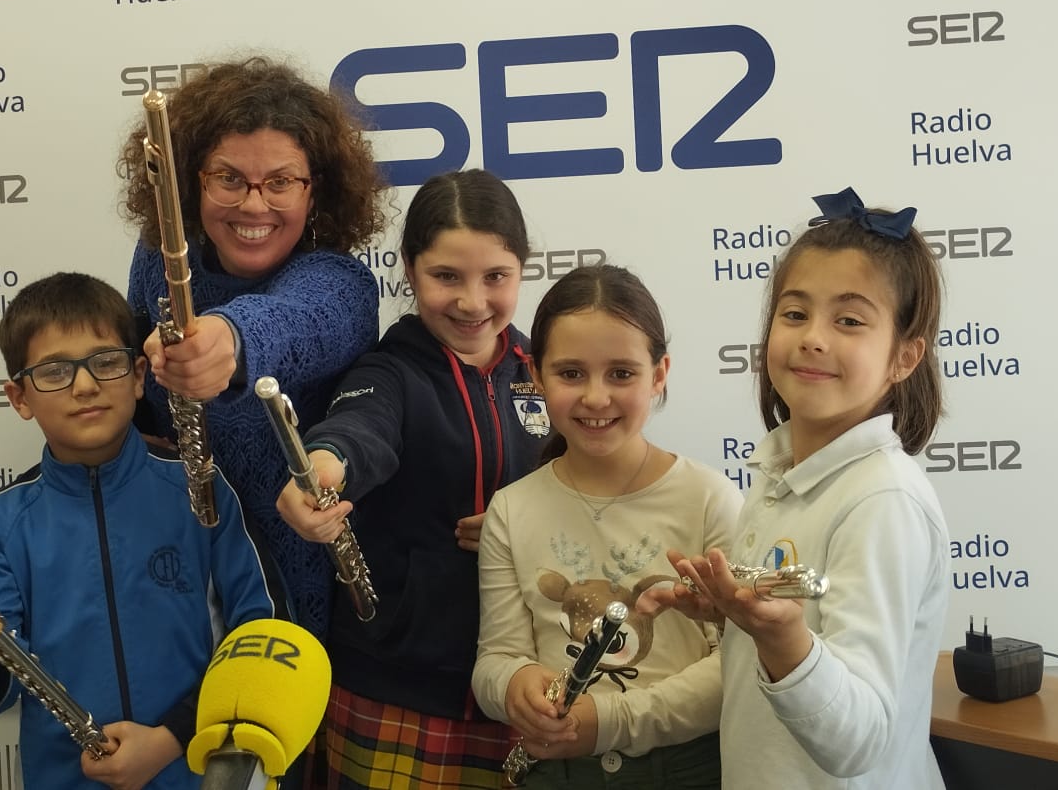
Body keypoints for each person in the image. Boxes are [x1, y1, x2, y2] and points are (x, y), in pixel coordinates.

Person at [644, 187, 950, 790]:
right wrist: (732, 613)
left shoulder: (883, 501)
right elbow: (809, 608)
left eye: (850, 320)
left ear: (904, 357)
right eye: (794, 313)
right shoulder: (783, 475)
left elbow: (859, 738)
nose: (813, 337)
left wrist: (780, 638)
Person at [0, 271, 273, 790]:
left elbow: (258, 638)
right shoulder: (1, 522)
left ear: (138, 376)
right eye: (54, 371)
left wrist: (172, 738)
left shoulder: (200, 488)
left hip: (198, 770)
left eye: (105, 363)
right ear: (19, 397)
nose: (85, 385)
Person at [277, 169, 545, 787]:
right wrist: (318, 475)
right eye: (446, 276)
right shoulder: (388, 371)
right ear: (409, 269)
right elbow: (356, 432)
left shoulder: (552, 370)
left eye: (496, 277)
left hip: (527, 686)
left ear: (522, 270)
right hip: (397, 691)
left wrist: (525, 526)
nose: (473, 302)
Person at [118, 55, 389, 638]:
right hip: (180, 588)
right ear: (192, 179)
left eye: (281, 182)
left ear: (317, 191)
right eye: (229, 178)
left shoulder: (342, 284)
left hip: (307, 602)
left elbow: (287, 322)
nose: (254, 205)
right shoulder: (157, 259)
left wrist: (226, 343)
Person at [472, 265, 737, 789]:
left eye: (621, 373)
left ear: (659, 374)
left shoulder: (709, 498)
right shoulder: (511, 509)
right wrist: (516, 683)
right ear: (536, 374)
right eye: (571, 373)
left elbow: (738, 663)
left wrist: (610, 722)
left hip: (693, 768)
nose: (596, 398)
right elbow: (495, 659)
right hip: (557, 772)